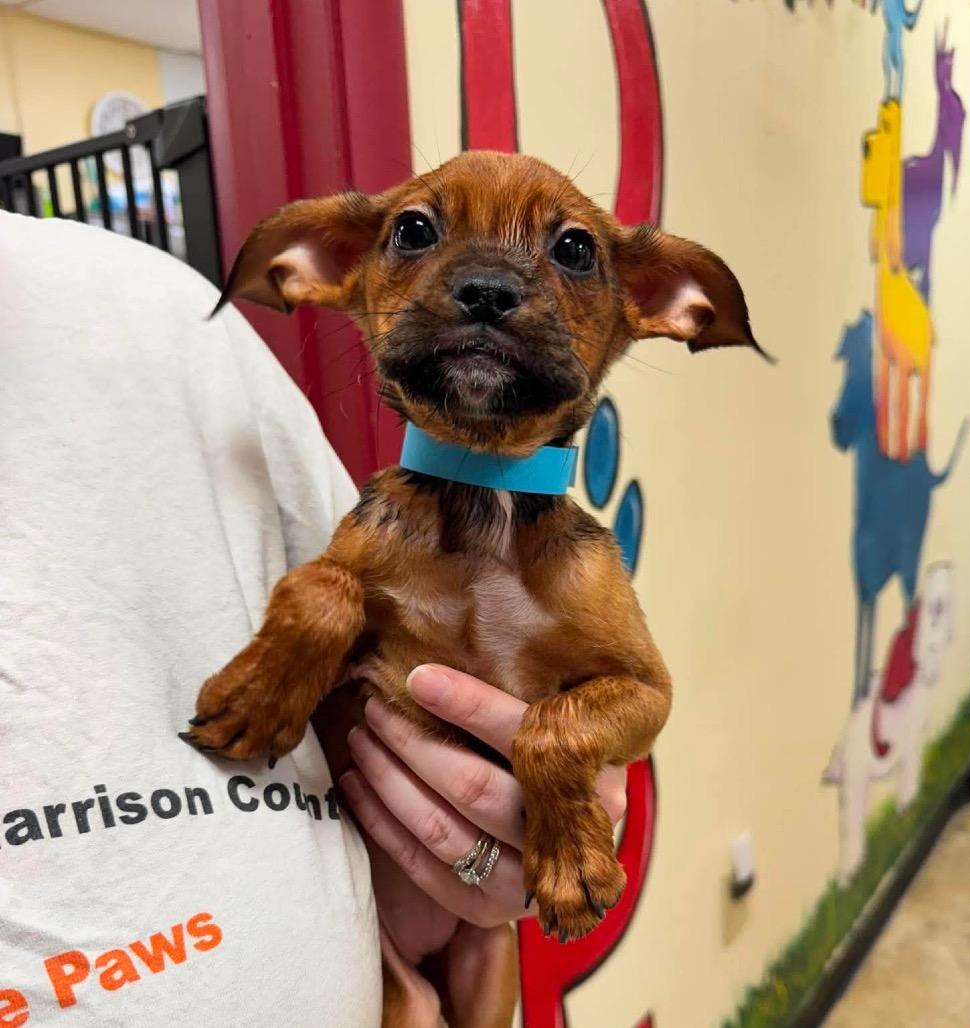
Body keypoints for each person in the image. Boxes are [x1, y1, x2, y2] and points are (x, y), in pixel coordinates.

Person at [0, 211, 626, 1026]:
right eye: (416, 234)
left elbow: (379, 661)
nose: (486, 289)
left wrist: (511, 826)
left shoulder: (154, 311)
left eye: (571, 255)